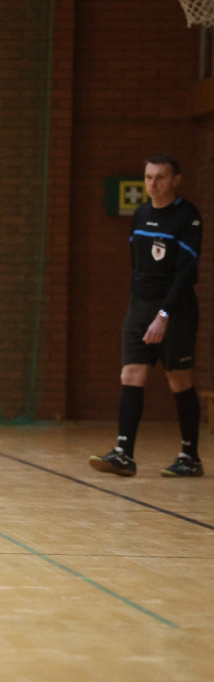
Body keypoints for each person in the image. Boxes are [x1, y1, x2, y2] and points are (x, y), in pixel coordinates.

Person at [89, 154, 204, 478]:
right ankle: (123, 454)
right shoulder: (140, 214)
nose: (153, 184)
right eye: (148, 177)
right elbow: (137, 264)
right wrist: (139, 308)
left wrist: (164, 314)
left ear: (176, 180)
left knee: (178, 379)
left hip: (175, 309)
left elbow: (186, 273)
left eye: (160, 178)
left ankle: (190, 457)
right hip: (140, 308)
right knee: (131, 374)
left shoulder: (188, 216)